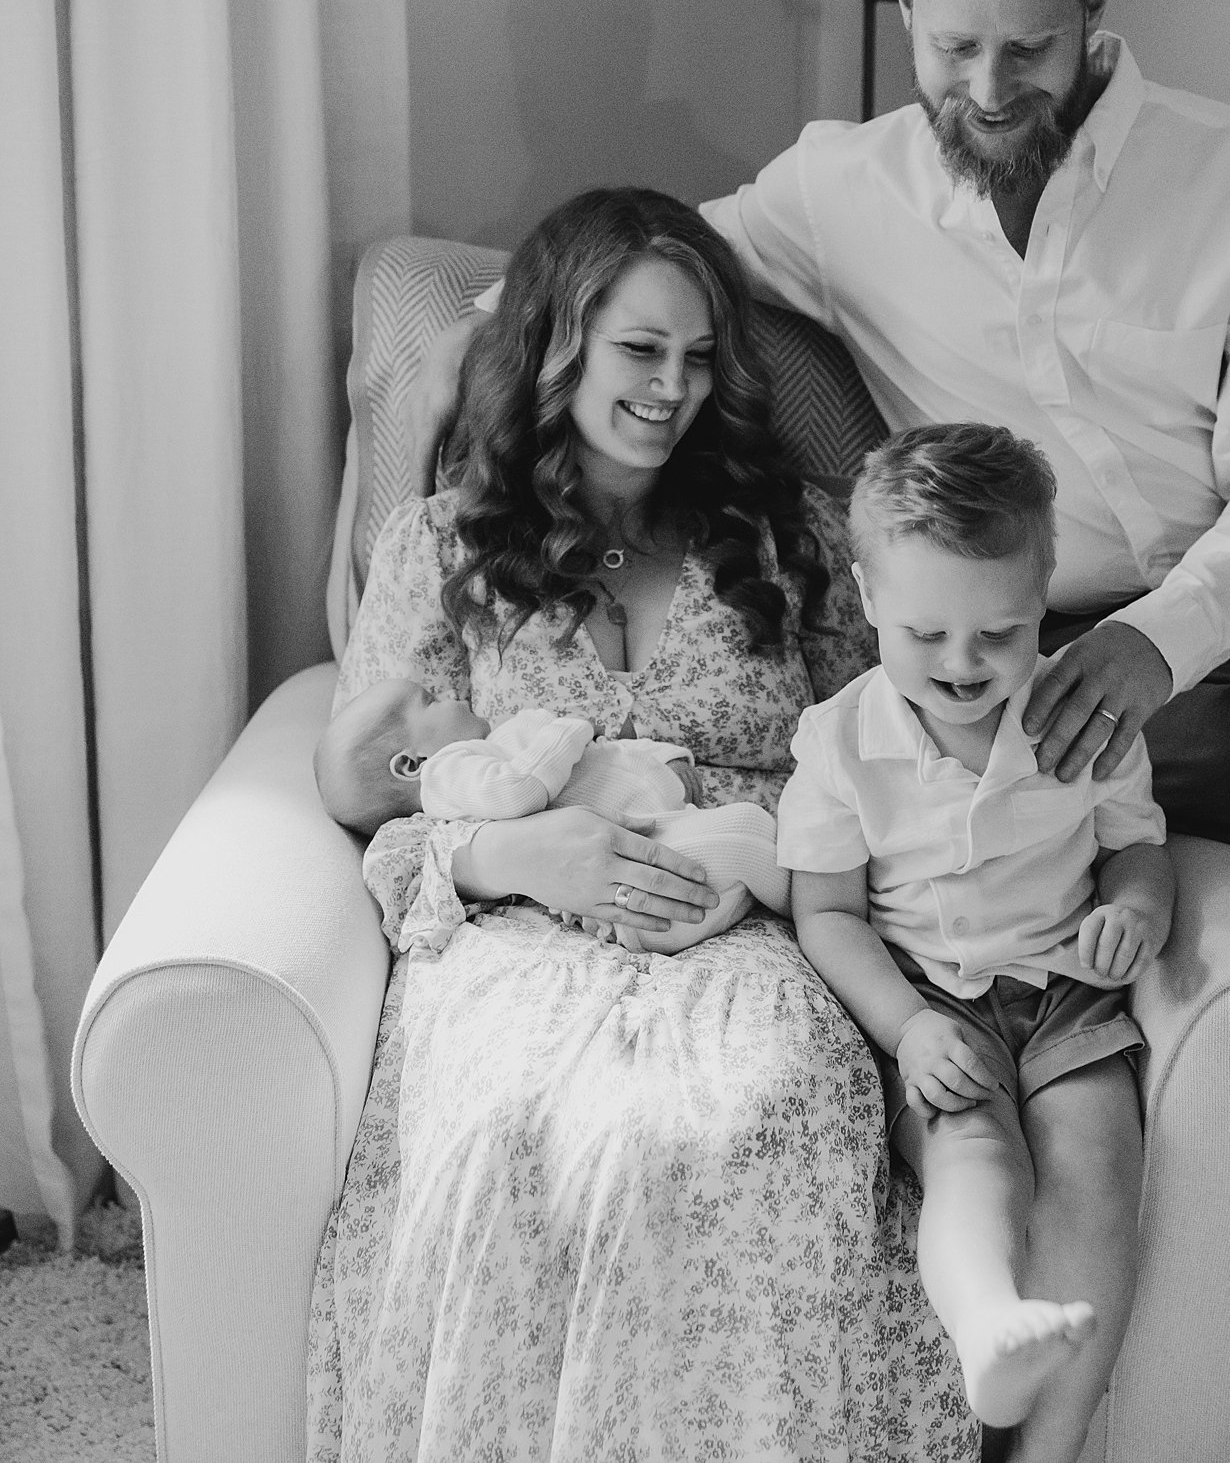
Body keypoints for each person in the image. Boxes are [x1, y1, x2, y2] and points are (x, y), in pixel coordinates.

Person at [406, 0, 1230, 1460]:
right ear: (898, 2)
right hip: (1033, 633)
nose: (989, 85)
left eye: (1030, 46)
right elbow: (644, 273)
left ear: (1101, 6)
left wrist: (1164, 640)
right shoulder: (837, 186)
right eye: (951, 44)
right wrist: (484, 354)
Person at [308, 186, 976, 1463]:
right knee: (520, 1139)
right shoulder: (442, 546)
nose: (672, 387)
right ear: (559, 344)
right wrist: (521, 852)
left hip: (751, 941)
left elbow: (881, 770)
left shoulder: (803, 541)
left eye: (698, 354)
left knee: (723, 1132)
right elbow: (386, 797)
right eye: (639, 349)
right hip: (514, 943)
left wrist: (756, 865)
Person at [781, 424, 1173, 1463]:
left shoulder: (1082, 719)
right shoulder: (839, 740)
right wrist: (906, 1030)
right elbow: (825, 912)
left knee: (1099, 1164)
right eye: (927, 635)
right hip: (933, 1002)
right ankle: (989, 1320)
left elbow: (1138, 850)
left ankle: (1049, 1445)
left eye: (998, 635)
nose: (963, 666)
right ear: (866, 601)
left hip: (1066, 994)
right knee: (974, 1157)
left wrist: (1136, 909)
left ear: (1044, 602)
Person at [314, 671, 790, 951]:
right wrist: (570, 729)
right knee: (749, 830)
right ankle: (814, 902)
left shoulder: (495, 747)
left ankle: (805, 899)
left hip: (663, 858)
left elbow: (606, 760)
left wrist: (665, 760)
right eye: (432, 700)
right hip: (643, 885)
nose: (453, 694)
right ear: (410, 765)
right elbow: (523, 792)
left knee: (746, 852)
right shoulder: (449, 771)